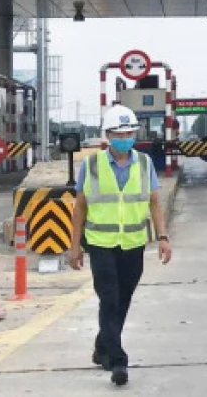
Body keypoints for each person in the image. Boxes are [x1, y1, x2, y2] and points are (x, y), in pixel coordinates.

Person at [68, 104, 172, 387]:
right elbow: (80, 208)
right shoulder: (90, 165)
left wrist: (162, 237)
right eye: (119, 132)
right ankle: (118, 360)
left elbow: (154, 202)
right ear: (108, 136)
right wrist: (74, 246)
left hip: (133, 244)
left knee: (121, 301)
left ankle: (102, 347)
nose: (125, 136)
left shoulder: (144, 163)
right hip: (100, 244)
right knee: (110, 299)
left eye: (130, 132)